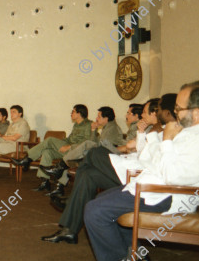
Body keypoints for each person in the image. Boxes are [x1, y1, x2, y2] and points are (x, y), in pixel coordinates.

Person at [84, 81, 199, 261]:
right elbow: (160, 163)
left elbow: (172, 176)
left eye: (179, 108)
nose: (176, 112)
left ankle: (122, 260)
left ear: (196, 112)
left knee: (94, 211)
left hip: (167, 195)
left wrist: (168, 139)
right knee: (100, 200)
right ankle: (135, 254)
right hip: (157, 186)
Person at [40, 98, 170, 243]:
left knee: (94, 152)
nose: (142, 116)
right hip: (129, 168)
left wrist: (146, 135)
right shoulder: (153, 130)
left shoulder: (166, 132)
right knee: (87, 174)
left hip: (136, 177)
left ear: (156, 113)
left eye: (145, 112)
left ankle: (68, 191)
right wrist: (141, 133)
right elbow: (140, 152)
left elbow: (148, 160)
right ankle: (69, 230)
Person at [40, 106, 125, 197]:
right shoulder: (107, 127)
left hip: (108, 158)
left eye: (99, 116)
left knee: (81, 148)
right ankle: (59, 181)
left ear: (106, 118)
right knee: (73, 156)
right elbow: (95, 143)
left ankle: (60, 168)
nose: (96, 118)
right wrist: (93, 130)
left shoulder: (112, 129)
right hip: (101, 154)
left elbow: (101, 147)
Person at [12, 104, 91, 191]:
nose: (71, 113)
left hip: (75, 152)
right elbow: (69, 139)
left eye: (73, 111)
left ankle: (27, 159)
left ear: (79, 113)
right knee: (47, 152)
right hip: (67, 149)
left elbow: (87, 142)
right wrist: (61, 143)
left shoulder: (89, 125)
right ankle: (45, 182)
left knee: (49, 140)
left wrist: (69, 146)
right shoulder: (76, 125)